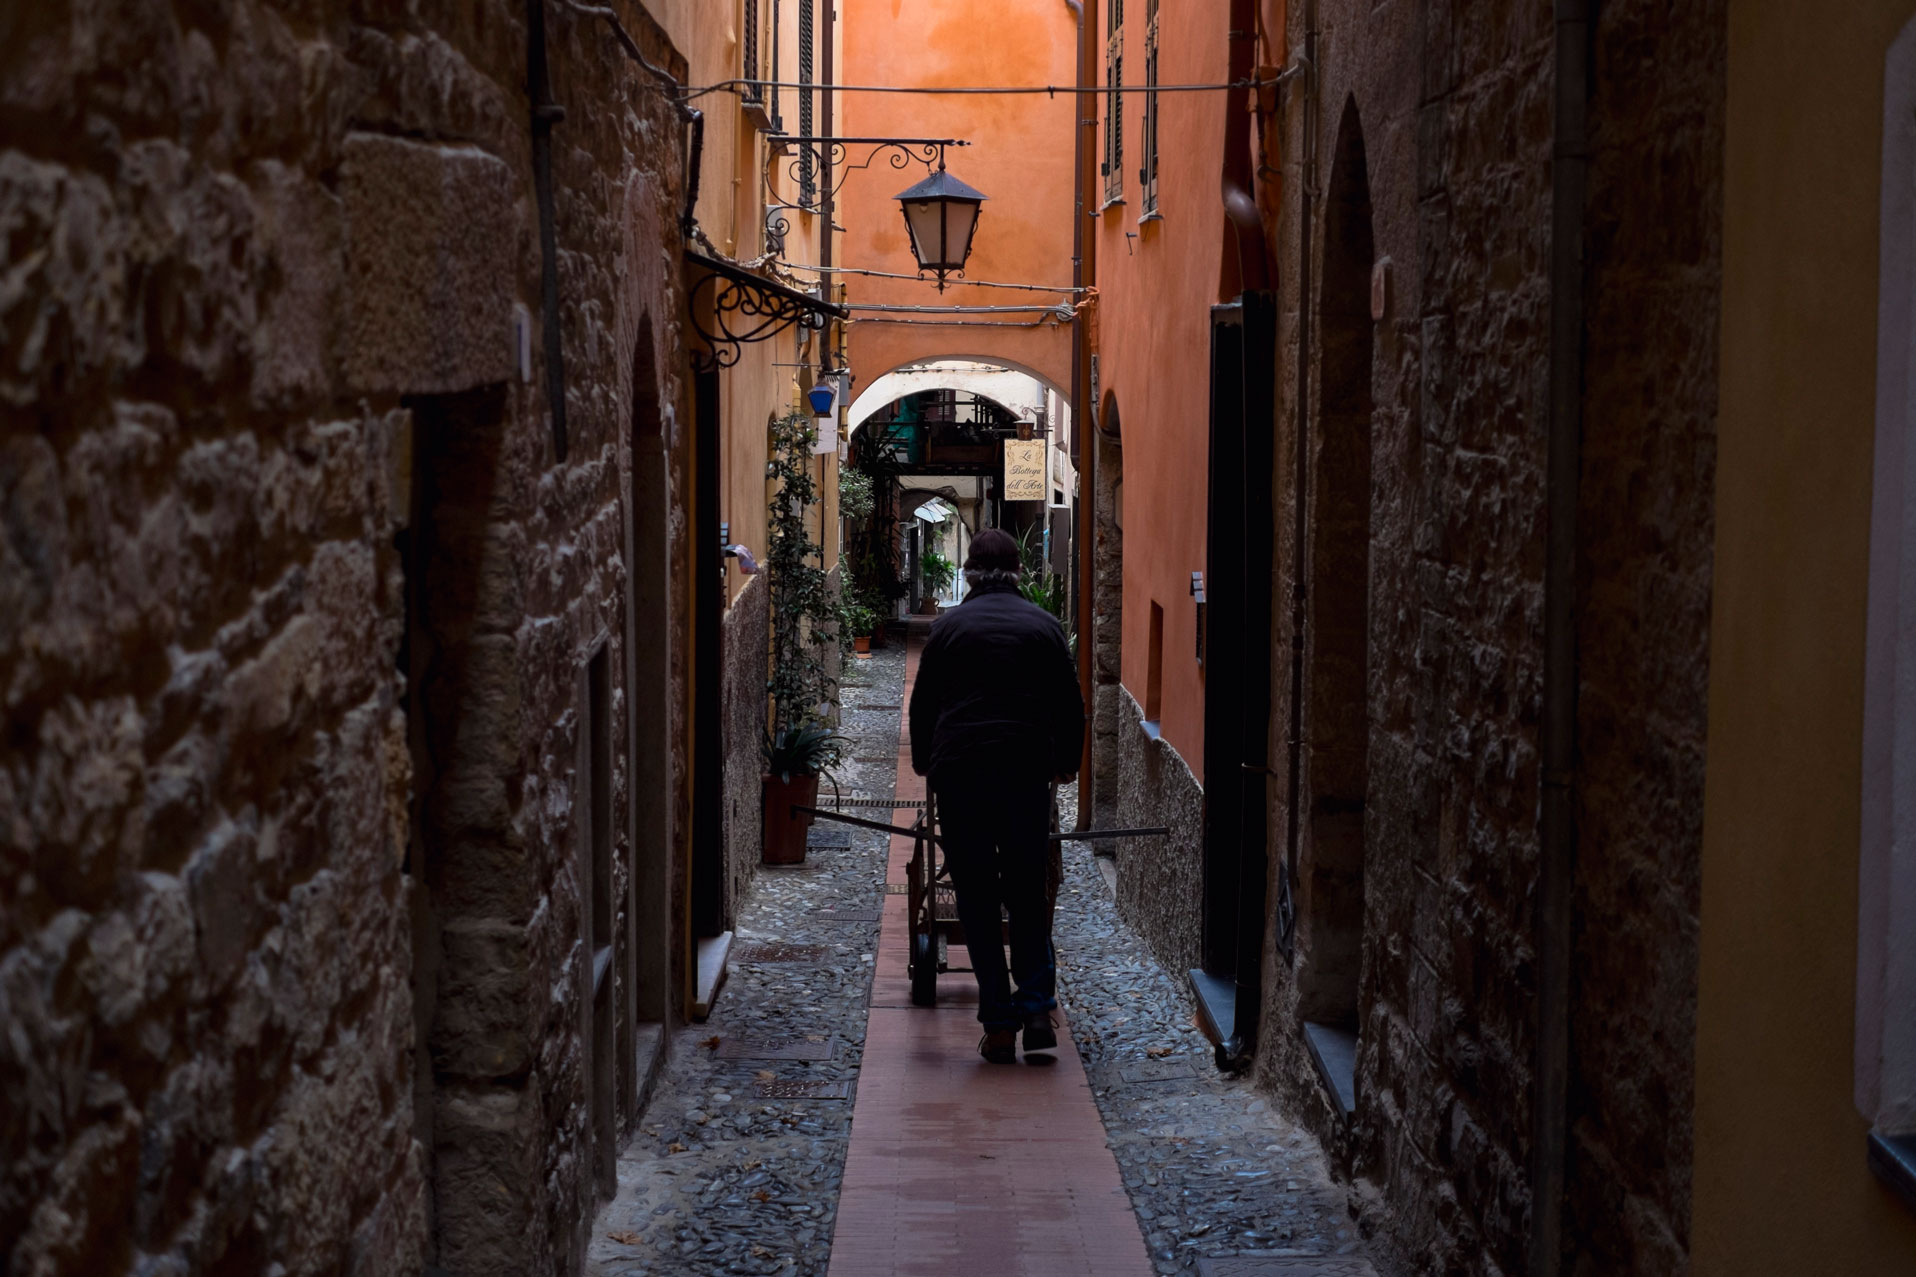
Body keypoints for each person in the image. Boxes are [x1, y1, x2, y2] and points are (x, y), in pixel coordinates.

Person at [908, 527, 1086, 1063]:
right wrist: (1067, 766)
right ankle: (1035, 1008)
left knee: (979, 898)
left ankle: (999, 1022)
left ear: (969, 574)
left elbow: (923, 707)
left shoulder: (948, 630)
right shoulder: (1045, 626)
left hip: (962, 774)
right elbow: (1069, 704)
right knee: (1028, 893)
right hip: (1025, 773)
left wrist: (925, 763)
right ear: (1017, 574)